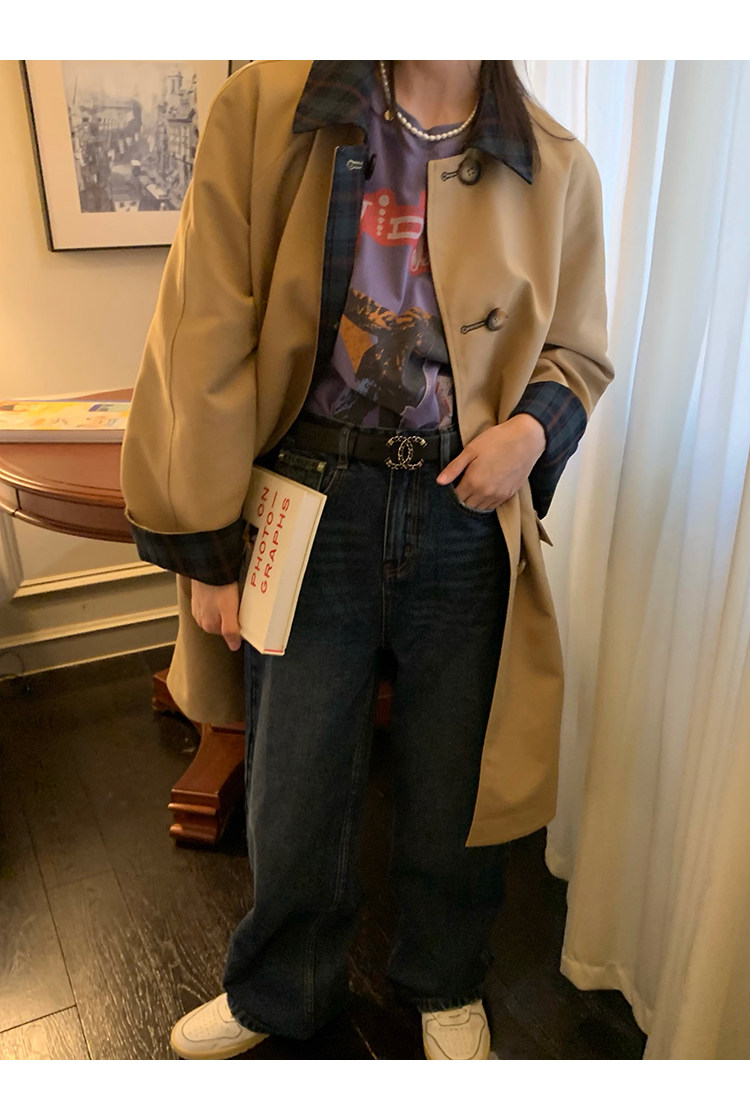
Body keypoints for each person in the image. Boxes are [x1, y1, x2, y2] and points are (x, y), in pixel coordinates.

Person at [121, 60, 614, 1060]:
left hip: (464, 509)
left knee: (457, 777)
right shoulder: (268, 112)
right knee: (294, 774)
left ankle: (446, 978)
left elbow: (579, 353)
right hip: (308, 501)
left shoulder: (555, 163)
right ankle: (280, 986)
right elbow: (202, 330)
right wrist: (206, 546)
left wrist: (529, 435)